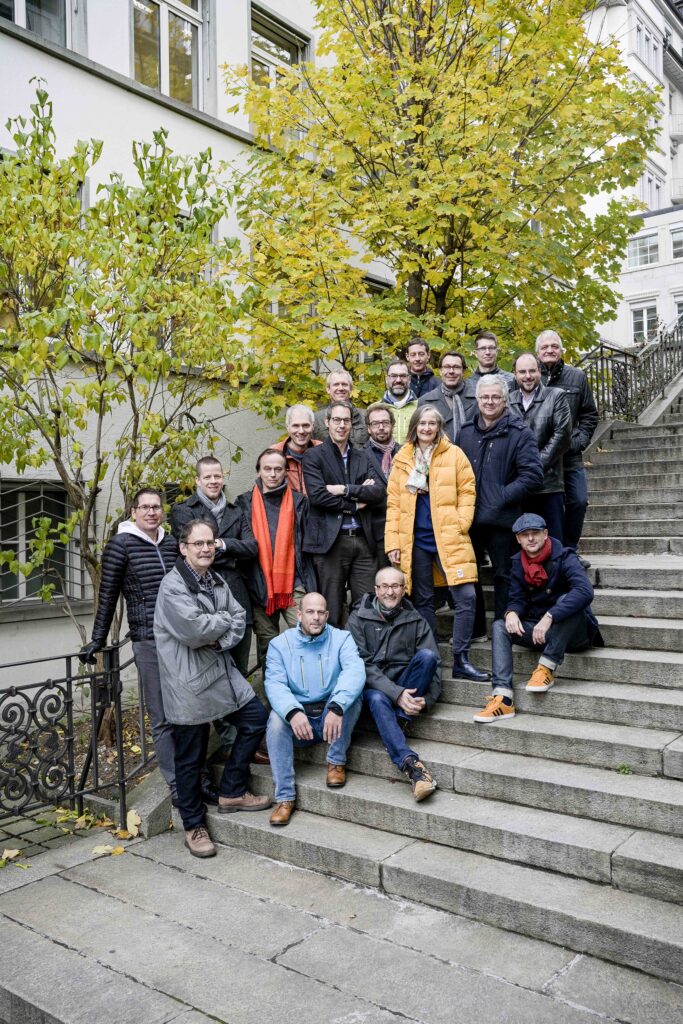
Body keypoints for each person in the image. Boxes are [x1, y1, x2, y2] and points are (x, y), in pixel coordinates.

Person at [154, 517, 271, 858]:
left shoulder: (215, 578)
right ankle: (193, 825)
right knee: (190, 758)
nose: (206, 549)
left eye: (210, 543)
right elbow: (194, 630)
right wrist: (220, 625)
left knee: (255, 720)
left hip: (221, 671)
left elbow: (237, 619)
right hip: (188, 681)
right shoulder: (173, 586)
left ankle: (232, 789)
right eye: (198, 544)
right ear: (184, 548)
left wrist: (218, 636)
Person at [79, 488, 185, 804]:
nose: (152, 512)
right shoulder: (121, 544)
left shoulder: (170, 543)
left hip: (182, 639)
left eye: (157, 507)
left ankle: (194, 774)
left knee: (189, 712)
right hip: (148, 640)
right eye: (145, 507)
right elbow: (108, 595)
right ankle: (176, 784)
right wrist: (97, 640)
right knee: (162, 716)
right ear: (134, 511)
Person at [385, 405, 489, 682]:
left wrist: (461, 521)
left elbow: (468, 489)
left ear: (439, 427)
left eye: (433, 423)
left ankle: (461, 658)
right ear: (414, 427)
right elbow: (394, 503)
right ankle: (432, 658)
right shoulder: (403, 458)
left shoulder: (453, 454)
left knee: (466, 597)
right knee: (423, 600)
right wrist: (393, 542)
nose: (427, 428)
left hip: (449, 535)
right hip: (414, 539)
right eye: (422, 424)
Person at [474, 513, 603, 723]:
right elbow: (516, 598)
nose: (531, 538)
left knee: (567, 600)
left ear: (545, 534)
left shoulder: (565, 556)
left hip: (573, 633)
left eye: (535, 533)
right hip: (540, 633)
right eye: (525, 535)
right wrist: (512, 612)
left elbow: (584, 591)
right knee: (499, 625)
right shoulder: (518, 562)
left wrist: (550, 616)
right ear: (518, 539)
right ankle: (503, 698)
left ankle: (546, 667)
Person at [264, 592, 365, 826]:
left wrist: (338, 706)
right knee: (276, 721)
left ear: (327, 615)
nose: (316, 617)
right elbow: (274, 683)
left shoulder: (342, 639)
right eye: (310, 612)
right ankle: (285, 798)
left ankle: (336, 761)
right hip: (300, 722)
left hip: (331, 717)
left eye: (321, 612)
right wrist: (292, 712)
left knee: (352, 698)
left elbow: (355, 671)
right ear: (299, 615)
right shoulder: (280, 645)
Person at [459, 376, 544, 641]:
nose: (490, 402)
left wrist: (500, 496)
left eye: (495, 397)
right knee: (468, 575)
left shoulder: (520, 432)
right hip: (469, 518)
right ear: (477, 399)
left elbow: (532, 475)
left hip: (503, 519)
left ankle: (502, 628)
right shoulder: (465, 433)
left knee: (504, 576)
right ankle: (475, 630)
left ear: (505, 399)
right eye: (485, 397)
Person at [348, 567, 440, 801]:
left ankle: (400, 719)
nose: (390, 592)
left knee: (427, 657)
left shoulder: (416, 619)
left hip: (406, 686)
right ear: (376, 590)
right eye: (385, 587)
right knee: (378, 698)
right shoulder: (357, 619)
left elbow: (435, 666)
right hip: (373, 688)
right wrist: (396, 694)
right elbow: (361, 665)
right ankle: (411, 766)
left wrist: (426, 701)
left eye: (396, 586)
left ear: (404, 589)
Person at [171, 456, 257, 676]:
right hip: (200, 597)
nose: (213, 481)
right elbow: (192, 555)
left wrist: (222, 544)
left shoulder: (236, 511)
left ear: (223, 478)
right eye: (207, 476)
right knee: (207, 673)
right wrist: (231, 555)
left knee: (239, 671)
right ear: (198, 480)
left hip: (237, 596)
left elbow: (251, 548)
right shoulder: (183, 510)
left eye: (217, 476)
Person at [303, 400, 384, 626]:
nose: (341, 425)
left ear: (351, 424)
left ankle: (363, 659)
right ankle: (332, 659)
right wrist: (355, 504)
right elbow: (318, 496)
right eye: (336, 420)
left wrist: (344, 489)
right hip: (332, 543)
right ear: (327, 423)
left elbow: (377, 492)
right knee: (332, 607)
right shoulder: (314, 456)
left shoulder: (363, 456)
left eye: (346, 420)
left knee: (367, 607)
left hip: (363, 541)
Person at [236, 447, 316, 666]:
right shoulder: (244, 503)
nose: (272, 474)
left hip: (294, 582)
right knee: (268, 645)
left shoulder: (300, 502)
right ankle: (273, 695)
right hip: (259, 584)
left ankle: (309, 690)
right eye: (267, 469)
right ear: (259, 471)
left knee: (306, 635)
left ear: (285, 472)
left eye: (278, 469)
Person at [537, 329, 598, 559]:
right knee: (550, 505)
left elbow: (589, 415)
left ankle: (570, 549)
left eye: (554, 346)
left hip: (570, 456)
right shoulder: (531, 377)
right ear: (538, 352)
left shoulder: (577, 377)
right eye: (545, 347)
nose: (550, 350)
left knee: (579, 501)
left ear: (561, 350)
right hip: (543, 455)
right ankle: (554, 551)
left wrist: (579, 441)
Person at [510, 352, 572, 543]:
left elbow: (562, 436)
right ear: (515, 374)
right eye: (522, 372)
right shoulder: (508, 400)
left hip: (549, 483)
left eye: (532, 371)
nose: (527, 376)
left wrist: (534, 467)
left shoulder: (556, 396)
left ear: (540, 372)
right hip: (518, 485)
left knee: (553, 541)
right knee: (523, 542)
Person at [363, 403, 400, 569]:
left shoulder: (406, 452)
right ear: (369, 428)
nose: (381, 427)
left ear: (392, 425)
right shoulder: (359, 455)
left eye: (385, 423)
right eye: (376, 424)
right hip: (375, 530)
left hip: (403, 527)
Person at [418, 350, 470, 444]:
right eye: (447, 367)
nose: (451, 371)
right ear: (440, 371)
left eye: (456, 367)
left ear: (463, 371)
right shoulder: (425, 401)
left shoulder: (478, 399)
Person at [462, 330, 515, 417]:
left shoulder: (512, 380)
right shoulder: (466, 385)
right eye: (483, 348)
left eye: (491, 348)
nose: (487, 352)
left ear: (496, 351)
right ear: (476, 353)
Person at [271, 404, 322, 494]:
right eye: (295, 426)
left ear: (313, 426)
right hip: (287, 507)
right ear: (288, 427)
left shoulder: (323, 450)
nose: (301, 431)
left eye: (306, 425)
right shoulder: (274, 453)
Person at [312, 369, 368, 447]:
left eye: (344, 384)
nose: (341, 388)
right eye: (336, 384)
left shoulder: (365, 416)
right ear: (328, 389)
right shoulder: (316, 420)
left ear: (351, 389)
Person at [380, 359, 418, 443]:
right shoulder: (375, 408)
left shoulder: (420, 407)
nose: (398, 380)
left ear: (409, 379)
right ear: (387, 379)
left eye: (403, 376)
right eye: (393, 376)